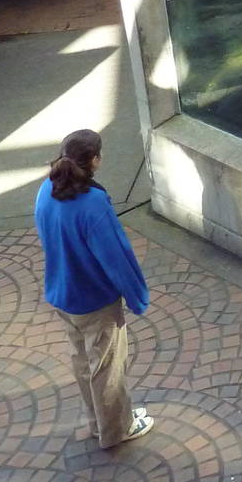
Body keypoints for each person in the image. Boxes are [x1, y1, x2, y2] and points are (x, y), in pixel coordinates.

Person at [34, 129, 154, 448]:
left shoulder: (46, 189)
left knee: (83, 362)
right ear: (96, 160)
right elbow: (117, 256)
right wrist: (137, 297)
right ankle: (116, 430)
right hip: (95, 302)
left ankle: (98, 423)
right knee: (107, 369)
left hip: (62, 296)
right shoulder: (93, 203)